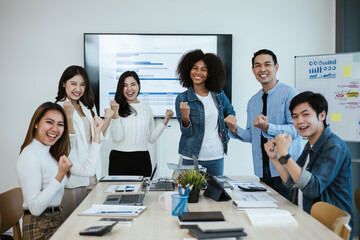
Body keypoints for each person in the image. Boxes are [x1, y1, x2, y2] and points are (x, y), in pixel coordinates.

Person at [264, 91, 353, 235]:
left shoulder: (334, 147)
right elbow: (292, 181)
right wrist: (275, 158)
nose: (299, 121)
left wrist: (285, 155)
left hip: (326, 229)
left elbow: (313, 188)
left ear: (322, 115)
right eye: (295, 116)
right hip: (304, 219)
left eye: (306, 115)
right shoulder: (311, 144)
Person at [16, 102, 104, 240]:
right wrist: (60, 174)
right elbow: (35, 208)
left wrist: (97, 134)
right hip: (39, 228)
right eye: (49, 122)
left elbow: (87, 170)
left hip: (54, 221)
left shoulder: (52, 154)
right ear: (36, 124)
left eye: (60, 124)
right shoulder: (29, 156)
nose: (55, 129)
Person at [224, 49, 302, 199]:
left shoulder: (290, 94)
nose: (262, 69)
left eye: (267, 64)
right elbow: (250, 135)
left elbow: (297, 130)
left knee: (288, 214)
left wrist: (268, 127)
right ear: (253, 70)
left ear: (276, 67)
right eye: (257, 65)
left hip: (286, 169)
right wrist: (234, 129)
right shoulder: (253, 101)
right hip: (263, 171)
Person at [55, 65, 113, 219]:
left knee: (90, 221)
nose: (78, 89)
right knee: (72, 224)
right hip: (74, 175)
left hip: (92, 173)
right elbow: (64, 144)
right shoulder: (58, 108)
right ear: (63, 84)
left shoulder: (87, 108)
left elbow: (95, 136)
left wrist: (108, 120)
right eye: (73, 83)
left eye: (82, 84)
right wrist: (67, 115)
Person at [175, 49, 235, 176]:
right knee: (190, 194)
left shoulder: (219, 95)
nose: (198, 72)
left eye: (203, 69)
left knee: (214, 195)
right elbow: (187, 133)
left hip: (215, 156)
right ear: (188, 70)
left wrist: (229, 128)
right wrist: (185, 118)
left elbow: (231, 114)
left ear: (209, 73)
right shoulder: (182, 98)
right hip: (191, 158)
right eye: (195, 68)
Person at [109, 71, 173, 177]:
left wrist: (166, 120)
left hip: (142, 158)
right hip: (119, 158)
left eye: (133, 84)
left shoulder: (147, 109)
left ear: (139, 86)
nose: (129, 89)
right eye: (125, 85)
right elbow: (117, 137)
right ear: (121, 88)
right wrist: (115, 113)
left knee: (142, 192)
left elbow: (151, 139)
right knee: (119, 192)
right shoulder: (116, 107)